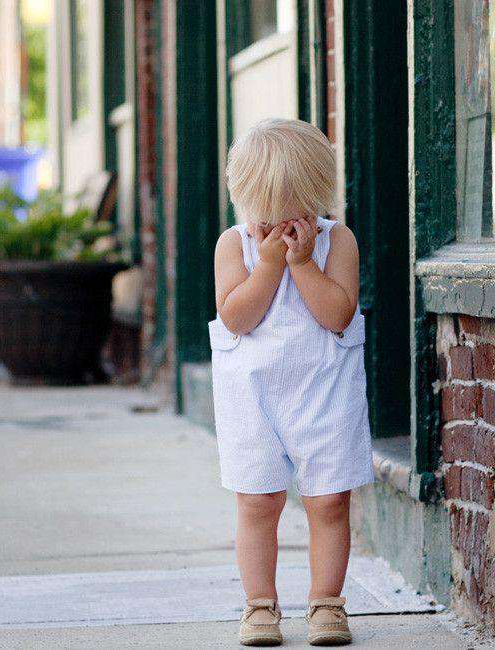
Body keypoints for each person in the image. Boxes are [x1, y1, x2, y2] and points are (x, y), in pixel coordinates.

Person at [210, 118, 374, 646]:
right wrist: (269, 265)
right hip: (254, 397)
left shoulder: (337, 241)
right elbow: (237, 318)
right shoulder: (234, 246)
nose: (280, 222)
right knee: (258, 502)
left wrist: (302, 263)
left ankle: (327, 603)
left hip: (324, 392)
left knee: (328, 500)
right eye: (267, 210)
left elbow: (337, 315)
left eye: (295, 209)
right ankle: (260, 606)